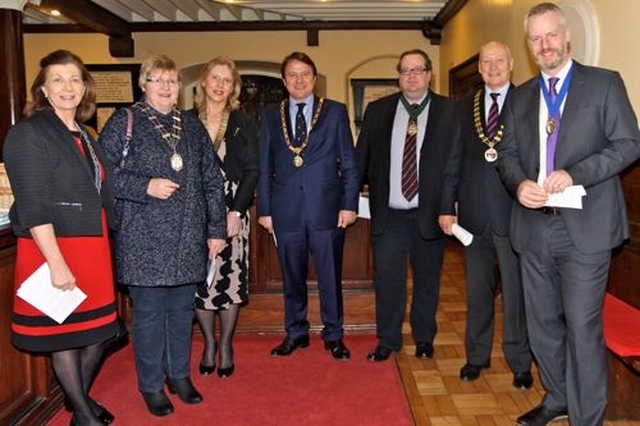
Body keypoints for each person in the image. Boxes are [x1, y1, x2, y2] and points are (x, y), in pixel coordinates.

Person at [498, 3, 640, 425]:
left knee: (581, 327)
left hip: (587, 229)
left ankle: (587, 417)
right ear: (529, 45)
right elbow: (505, 156)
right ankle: (556, 397)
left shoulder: (603, 84)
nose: (544, 45)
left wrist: (575, 173)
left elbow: (629, 143)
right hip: (533, 228)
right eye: (536, 38)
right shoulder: (521, 95)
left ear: (567, 36)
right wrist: (519, 182)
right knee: (541, 324)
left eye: (551, 35)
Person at [99, 54, 226, 417]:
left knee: (182, 311)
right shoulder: (125, 121)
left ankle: (179, 375)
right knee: (151, 315)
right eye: (158, 80)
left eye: (172, 81)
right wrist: (145, 186)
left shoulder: (191, 125)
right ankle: (152, 384)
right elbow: (102, 174)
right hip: (143, 238)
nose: (167, 87)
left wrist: (216, 229)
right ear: (144, 84)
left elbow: (211, 181)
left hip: (187, 235)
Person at [3, 49, 118, 426]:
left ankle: (78, 399)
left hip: (92, 247)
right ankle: (83, 414)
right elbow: (34, 205)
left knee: (98, 333)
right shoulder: (29, 133)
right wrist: (55, 262)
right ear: (43, 90)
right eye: (57, 80)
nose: (67, 87)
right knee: (65, 335)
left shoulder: (85, 135)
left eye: (74, 80)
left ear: (85, 88)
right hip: (56, 248)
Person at [439, 41, 533, 389]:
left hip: (517, 213)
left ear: (511, 64)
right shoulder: (463, 108)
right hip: (474, 216)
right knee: (477, 292)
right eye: (486, 62)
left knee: (516, 294)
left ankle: (520, 362)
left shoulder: (529, 102)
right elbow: (452, 162)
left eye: (499, 61)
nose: (492, 67)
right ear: (479, 68)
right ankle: (476, 357)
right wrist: (447, 207)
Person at [356, 49, 456, 362]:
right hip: (390, 216)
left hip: (430, 215)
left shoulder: (450, 111)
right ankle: (388, 340)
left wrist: (452, 205)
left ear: (429, 75)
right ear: (399, 76)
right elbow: (362, 160)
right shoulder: (378, 110)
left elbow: (457, 163)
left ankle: (424, 338)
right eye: (405, 70)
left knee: (428, 279)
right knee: (388, 280)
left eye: (418, 70)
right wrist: (348, 201)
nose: (411, 76)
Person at [257, 51, 359, 360]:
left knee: (330, 276)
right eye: (292, 75)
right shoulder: (271, 116)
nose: (299, 80)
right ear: (284, 82)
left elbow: (350, 164)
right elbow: (265, 165)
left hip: (327, 209)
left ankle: (334, 335)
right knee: (291, 277)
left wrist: (349, 204)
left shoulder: (335, 112)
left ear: (314, 79)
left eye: (305, 74)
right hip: (285, 210)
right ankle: (296, 332)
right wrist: (264, 209)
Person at [193, 57, 258, 378]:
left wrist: (237, 211)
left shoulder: (242, 123)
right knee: (200, 281)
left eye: (227, 80)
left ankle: (227, 345)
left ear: (234, 87)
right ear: (204, 81)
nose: (220, 85)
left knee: (230, 280)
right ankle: (207, 343)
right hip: (194, 214)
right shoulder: (186, 120)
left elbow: (251, 171)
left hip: (233, 209)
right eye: (215, 78)